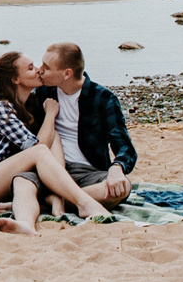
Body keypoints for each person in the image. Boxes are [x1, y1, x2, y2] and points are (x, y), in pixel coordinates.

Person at [0, 50, 118, 230]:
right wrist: (51, 114)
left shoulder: (30, 103)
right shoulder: (1, 109)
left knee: (54, 136)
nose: (38, 70)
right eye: (30, 68)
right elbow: (37, 148)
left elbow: (44, 141)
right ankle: (84, 203)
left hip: (8, 178)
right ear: (16, 79)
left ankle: (32, 218)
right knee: (41, 149)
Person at [35, 41, 136, 209]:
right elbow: (5, 106)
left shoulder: (103, 98)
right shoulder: (42, 93)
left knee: (123, 188)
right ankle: (72, 200)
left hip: (89, 174)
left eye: (47, 67)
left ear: (67, 74)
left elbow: (125, 147)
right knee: (22, 182)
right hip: (50, 171)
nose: (40, 70)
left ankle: (57, 201)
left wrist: (117, 167)